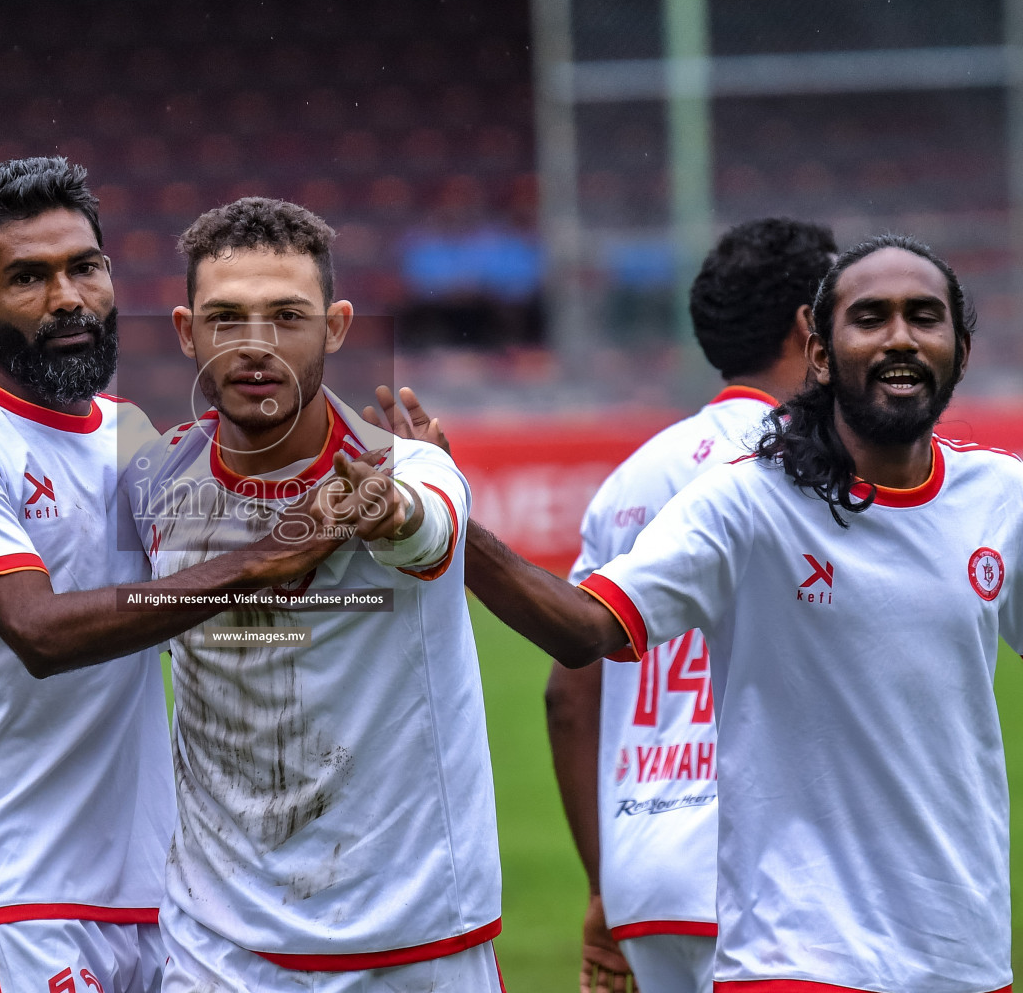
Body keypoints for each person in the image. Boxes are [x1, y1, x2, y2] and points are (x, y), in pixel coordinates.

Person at [443, 235, 1021, 993]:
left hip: (963, 955)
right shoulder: (747, 499)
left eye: (924, 316)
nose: (901, 337)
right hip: (798, 956)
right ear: (818, 350)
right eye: (870, 317)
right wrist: (450, 528)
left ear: (961, 346)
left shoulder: (1002, 498)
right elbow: (586, 629)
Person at [0, 160, 352, 993]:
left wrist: (411, 474)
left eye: (85, 266)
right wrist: (254, 563)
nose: (68, 297)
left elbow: (203, 619)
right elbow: (39, 631)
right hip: (9, 898)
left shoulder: (135, 441)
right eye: (28, 277)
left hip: (156, 894)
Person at [124, 197, 503, 992]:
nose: (257, 346)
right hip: (216, 949)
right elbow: (93, 620)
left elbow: (428, 527)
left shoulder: (406, 467)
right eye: (226, 319)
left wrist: (390, 514)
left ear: (335, 326)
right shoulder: (149, 485)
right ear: (187, 333)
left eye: (286, 316)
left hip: (415, 947)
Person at [547, 218, 834, 993]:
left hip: (644, 868)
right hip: (774, 866)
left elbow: (569, 693)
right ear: (811, 325)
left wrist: (604, 884)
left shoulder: (631, 479)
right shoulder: (816, 467)